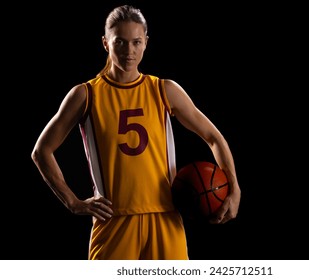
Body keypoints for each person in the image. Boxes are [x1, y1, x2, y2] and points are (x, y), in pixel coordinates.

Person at [31, 4, 241, 260]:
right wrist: (73, 202)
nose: (128, 51)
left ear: (146, 43)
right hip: (113, 220)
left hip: (165, 216)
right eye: (120, 42)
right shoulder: (86, 95)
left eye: (136, 42)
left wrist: (234, 188)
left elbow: (214, 137)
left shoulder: (164, 90)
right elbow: (41, 151)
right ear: (105, 43)